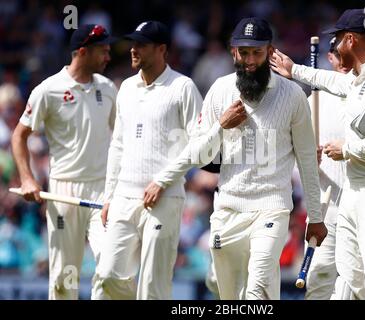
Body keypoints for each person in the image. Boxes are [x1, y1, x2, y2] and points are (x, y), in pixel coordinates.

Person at [143, 17, 327, 300]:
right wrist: (221, 126)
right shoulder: (220, 89)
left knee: (256, 293)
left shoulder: (292, 96)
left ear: (270, 51)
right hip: (227, 209)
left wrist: (315, 216)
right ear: (233, 52)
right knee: (228, 296)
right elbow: (200, 154)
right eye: (244, 52)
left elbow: (306, 160)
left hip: (271, 209)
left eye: (257, 52)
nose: (250, 60)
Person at [270, 8, 365, 299]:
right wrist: (295, 70)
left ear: (350, 40)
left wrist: (348, 149)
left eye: (338, 40)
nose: (336, 47)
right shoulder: (358, 80)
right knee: (355, 278)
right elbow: (333, 82)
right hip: (356, 190)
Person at [92, 21, 203, 300]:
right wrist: (109, 196)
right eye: (133, 44)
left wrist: (163, 181)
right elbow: (117, 144)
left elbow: (199, 145)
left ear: (161, 49)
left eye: (141, 45)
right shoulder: (127, 88)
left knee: (153, 288)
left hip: (164, 200)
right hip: (124, 198)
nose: (133, 49)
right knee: (106, 275)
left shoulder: (182, 87)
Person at [11, 24, 117, 300]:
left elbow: (120, 140)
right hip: (63, 192)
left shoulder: (107, 89)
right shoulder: (49, 90)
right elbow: (19, 136)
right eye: (103, 51)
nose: (108, 57)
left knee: (112, 269)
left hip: (103, 191)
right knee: (63, 278)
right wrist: (27, 178)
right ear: (82, 52)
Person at [304, 38, 352, 299]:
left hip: (362, 201)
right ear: (330, 58)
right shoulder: (314, 100)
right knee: (318, 276)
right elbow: (297, 157)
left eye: (347, 53)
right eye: (336, 54)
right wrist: (309, 157)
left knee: (359, 282)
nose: (342, 59)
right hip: (326, 204)